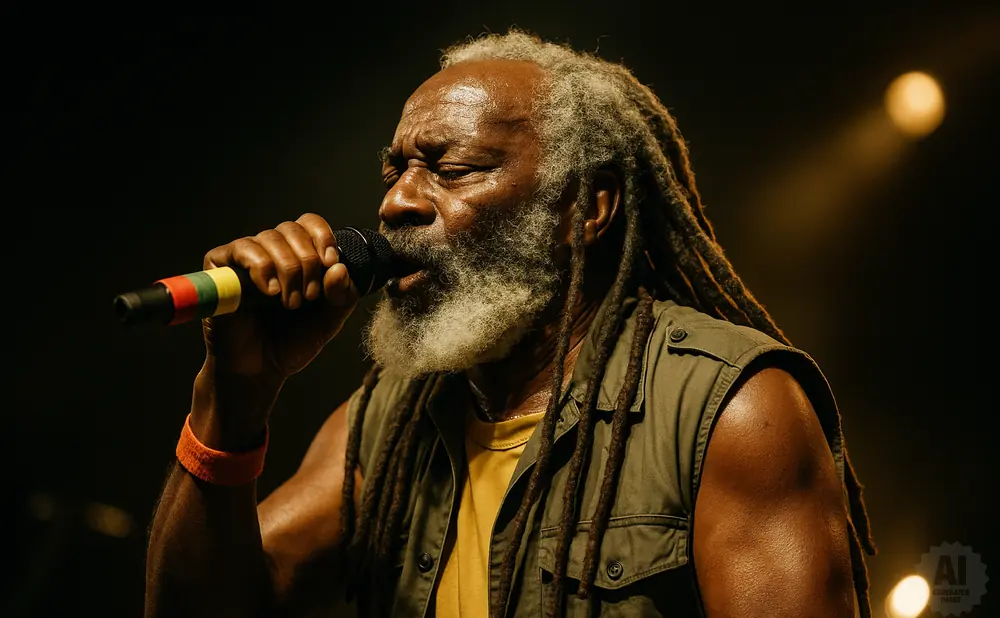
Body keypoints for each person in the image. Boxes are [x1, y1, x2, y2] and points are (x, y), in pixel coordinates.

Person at [144, 30, 876, 618]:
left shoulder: (734, 413)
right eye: (394, 170)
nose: (397, 203)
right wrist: (233, 396)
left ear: (585, 209)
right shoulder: (387, 420)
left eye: (452, 167)